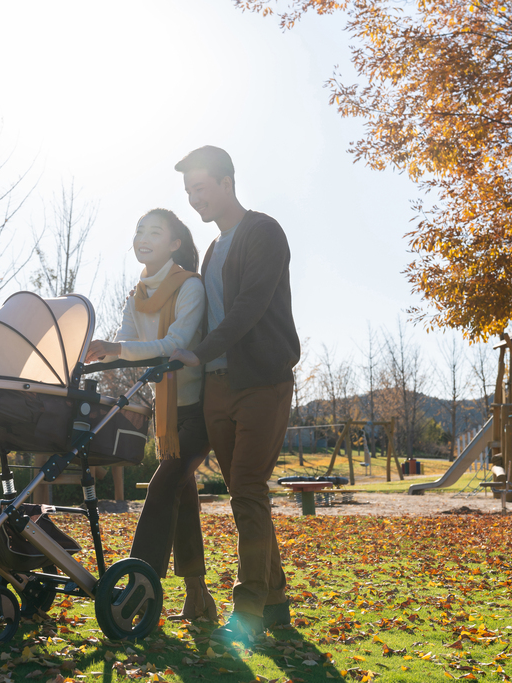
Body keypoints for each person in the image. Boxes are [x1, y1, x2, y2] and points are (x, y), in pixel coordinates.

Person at [169, 146, 301, 644]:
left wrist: (200, 353)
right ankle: (278, 602)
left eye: (201, 188)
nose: (195, 199)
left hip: (261, 382)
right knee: (246, 497)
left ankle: (246, 612)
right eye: (188, 193)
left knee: (247, 489)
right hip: (217, 390)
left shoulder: (263, 232)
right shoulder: (212, 249)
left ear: (226, 182)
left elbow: (248, 307)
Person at [85, 208, 217, 621]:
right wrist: (91, 351)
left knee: (161, 489)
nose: (143, 238)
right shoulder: (136, 294)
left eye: (155, 232)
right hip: (167, 414)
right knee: (182, 495)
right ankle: (198, 597)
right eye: (140, 230)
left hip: (200, 411)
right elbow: (124, 345)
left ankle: (139, 592)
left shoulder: (189, 287)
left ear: (175, 243)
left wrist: (118, 348)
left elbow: (174, 343)